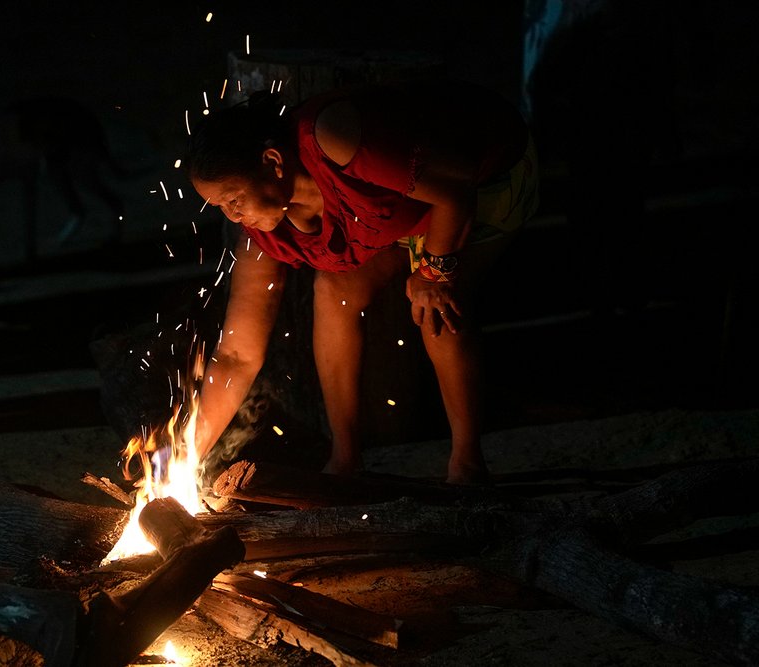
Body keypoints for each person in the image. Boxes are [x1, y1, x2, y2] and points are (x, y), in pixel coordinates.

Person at [187, 76, 539, 485]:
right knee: (334, 288)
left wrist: (434, 272)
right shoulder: (261, 234)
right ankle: (345, 459)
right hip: (404, 211)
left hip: (487, 177)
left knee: (435, 303)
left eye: (234, 200)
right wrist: (185, 451)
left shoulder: (332, 138)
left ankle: (467, 463)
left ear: (272, 162)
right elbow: (236, 355)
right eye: (221, 208)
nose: (233, 217)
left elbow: (456, 188)